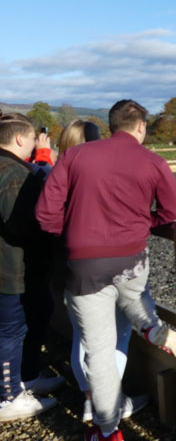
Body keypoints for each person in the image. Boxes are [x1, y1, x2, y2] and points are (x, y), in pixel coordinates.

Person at [36, 100, 176, 441]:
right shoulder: (153, 161)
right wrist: (144, 222)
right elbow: (173, 213)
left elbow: (45, 213)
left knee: (99, 352)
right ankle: (152, 327)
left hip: (84, 265)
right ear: (141, 127)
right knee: (133, 296)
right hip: (131, 258)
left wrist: (72, 234)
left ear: (112, 125)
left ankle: (107, 431)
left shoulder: (75, 156)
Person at [57, 120, 140, 423]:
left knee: (83, 336)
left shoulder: (57, 173)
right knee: (117, 335)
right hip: (106, 264)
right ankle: (110, 402)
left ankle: (90, 400)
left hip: (70, 266)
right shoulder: (98, 175)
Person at [0, 112, 59, 421]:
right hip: (10, 269)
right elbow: (20, 224)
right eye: (34, 138)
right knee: (11, 332)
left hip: (18, 268)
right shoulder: (13, 174)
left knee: (36, 317)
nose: (37, 143)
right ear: (20, 138)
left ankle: (27, 377)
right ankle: (8, 397)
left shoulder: (13, 168)